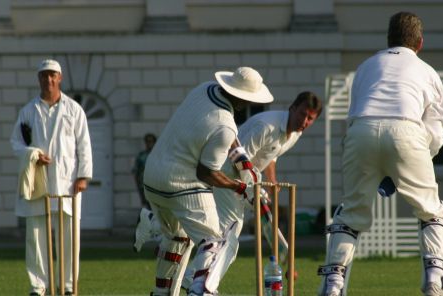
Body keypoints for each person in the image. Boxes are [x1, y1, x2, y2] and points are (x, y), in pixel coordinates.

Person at [317, 12, 443, 296]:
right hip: (406, 130)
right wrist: (416, 158)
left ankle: (333, 282)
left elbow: (355, 115)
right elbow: (437, 126)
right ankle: (434, 279)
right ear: (420, 42)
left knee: (351, 214)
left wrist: (382, 166)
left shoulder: (366, 66)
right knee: (431, 210)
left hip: (360, 132)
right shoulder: (426, 70)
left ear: (389, 38)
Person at [143, 66, 274, 296]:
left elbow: (230, 140)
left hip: (153, 177)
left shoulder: (203, 89)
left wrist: (247, 171)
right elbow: (207, 173)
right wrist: (240, 186)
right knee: (214, 240)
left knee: (177, 238)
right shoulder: (225, 125)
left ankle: (160, 292)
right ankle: (201, 290)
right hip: (181, 183)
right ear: (243, 100)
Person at [180, 91, 322, 289]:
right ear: (293, 108)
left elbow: (271, 156)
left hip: (247, 181)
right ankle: (200, 282)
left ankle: (194, 278)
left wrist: (271, 185)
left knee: (225, 237)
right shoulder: (266, 126)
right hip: (226, 176)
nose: (304, 121)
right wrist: (252, 190)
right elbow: (236, 157)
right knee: (229, 237)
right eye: (302, 114)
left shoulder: (295, 134)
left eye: (310, 119)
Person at [10, 59, 93, 296]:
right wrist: (32, 154)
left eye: (53, 75)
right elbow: (16, 142)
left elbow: (84, 144)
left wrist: (83, 176)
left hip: (68, 181)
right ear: (39, 79)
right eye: (44, 76)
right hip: (38, 180)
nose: (49, 80)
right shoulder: (28, 110)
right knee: (36, 238)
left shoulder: (74, 109)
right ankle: (38, 286)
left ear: (60, 78)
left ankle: (67, 286)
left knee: (68, 237)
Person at [132, 133, 162, 252]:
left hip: (156, 187)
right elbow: (136, 172)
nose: (149, 144)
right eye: (147, 142)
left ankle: (155, 232)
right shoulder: (142, 156)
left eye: (151, 141)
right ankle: (147, 232)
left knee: (156, 210)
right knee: (148, 209)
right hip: (143, 187)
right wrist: (138, 187)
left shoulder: (158, 155)